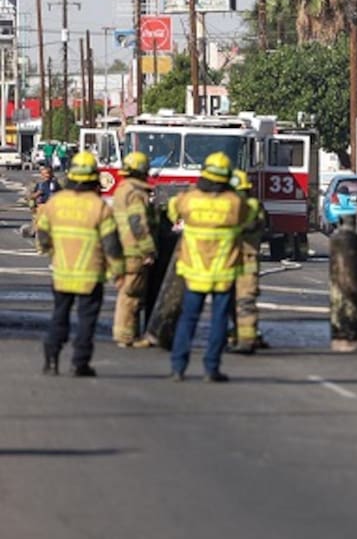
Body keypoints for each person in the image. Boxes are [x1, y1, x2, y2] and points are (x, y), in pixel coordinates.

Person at [36, 152, 124, 377]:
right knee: (86, 320)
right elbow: (111, 244)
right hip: (90, 274)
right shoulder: (100, 207)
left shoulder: (56, 203)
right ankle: (80, 362)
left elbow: (43, 234)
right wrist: (118, 271)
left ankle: (51, 357)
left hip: (62, 272)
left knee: (59, 315)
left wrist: (50, 251)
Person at [166, 152, 251, 382]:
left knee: (188, 319)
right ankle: (211, 368)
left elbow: (172, 211)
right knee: (219, 321)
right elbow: (249, 217)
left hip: (194, 271)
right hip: (223, 272)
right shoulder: (234, 203)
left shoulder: (189, 199)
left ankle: (178, 367)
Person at [110, 152, 157, 347]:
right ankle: (126, 336)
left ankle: (128, 334)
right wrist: (149, 249)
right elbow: (138, 223)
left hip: (123, 247)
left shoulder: (122, 189)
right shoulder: (137, 193)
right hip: (135, 251)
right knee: (132, 295)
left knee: (127, 293)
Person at [229, 169, 268, 353]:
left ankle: (244, 337)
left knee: (234, 301)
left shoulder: (241, 207)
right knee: (244, 301)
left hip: (230, 260)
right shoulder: (254, 205)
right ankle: (246, 336)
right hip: (245, 260)